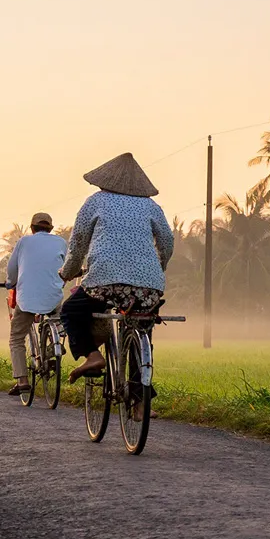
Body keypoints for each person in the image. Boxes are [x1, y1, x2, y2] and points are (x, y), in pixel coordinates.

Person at [59, 152, 175, 382]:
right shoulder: (151, 206)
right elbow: (167, 242)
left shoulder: (96, 201)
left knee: (70, 311)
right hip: (147, 286)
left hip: (104, 282)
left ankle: (92, 356)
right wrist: (158, 268)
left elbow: (78, 242)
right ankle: (140, 402)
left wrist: (69, 272)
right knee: (140, 329)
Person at [3, 212, 68, 396]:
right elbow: (68, 266)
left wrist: (11, 282)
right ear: (51, 229)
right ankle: (53, 347)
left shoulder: (24, 242)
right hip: (53, 296)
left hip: (27, 299)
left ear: (32, 228)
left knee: (16, 337)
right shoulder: (61, 242)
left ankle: (22, 380)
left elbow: (12, 268)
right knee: (58, 320)